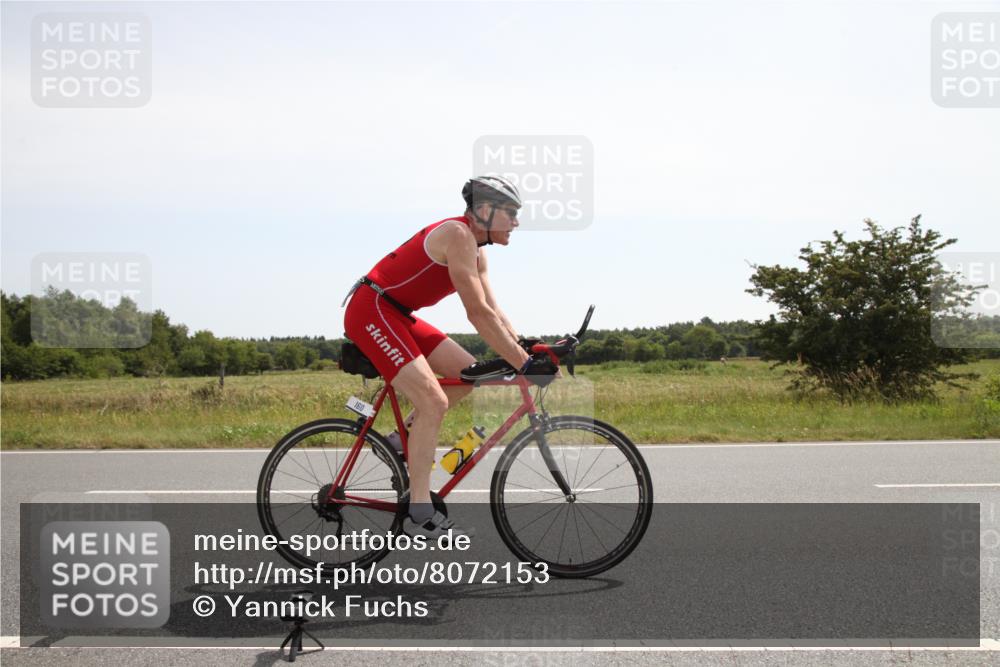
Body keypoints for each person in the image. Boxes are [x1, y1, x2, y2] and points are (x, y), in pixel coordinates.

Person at [342, 175, 548, 539]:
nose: (516, 222)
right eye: (511, 213)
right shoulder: (458, 235)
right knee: (434, 401)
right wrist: (523, 365)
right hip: (372, 308)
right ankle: (419, 511)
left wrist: (526, 347)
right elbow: (476, 315)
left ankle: (397, 441)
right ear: (484, 210)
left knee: (468, 374)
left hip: (398, 313)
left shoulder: (477, 250)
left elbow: (492, 310)